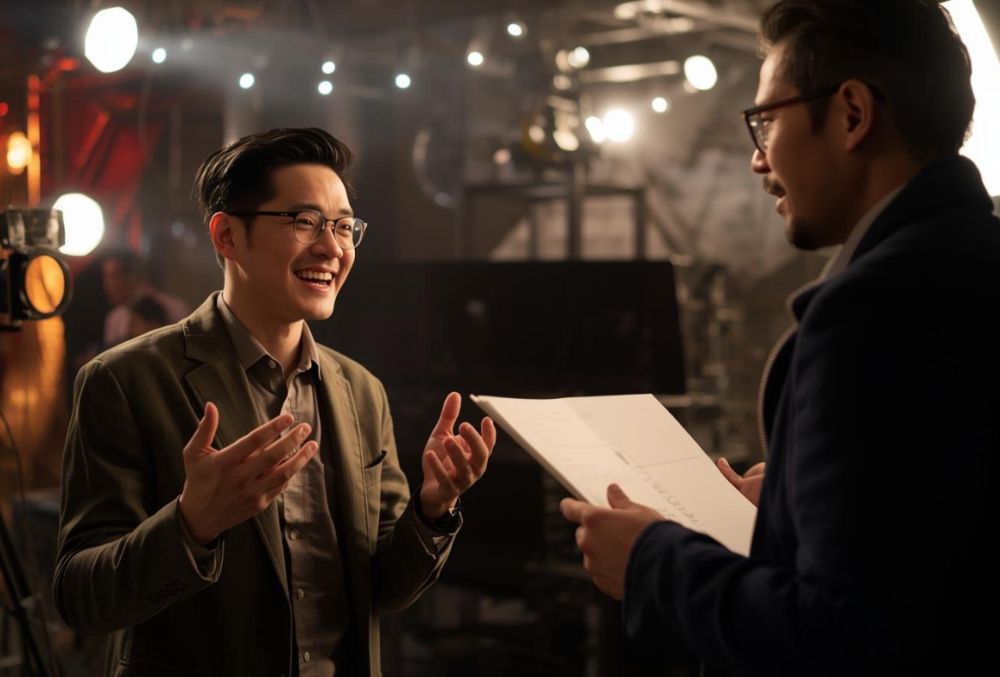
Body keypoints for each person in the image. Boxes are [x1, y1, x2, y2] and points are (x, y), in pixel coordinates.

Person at [561, 1, 999, 674]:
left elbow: (843, 636)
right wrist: (798, 503)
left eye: (766, 122)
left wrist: (652, 560)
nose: (758, 162)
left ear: (852, 113)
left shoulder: (869, 312)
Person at [54, 127, 496, 676]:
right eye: (305, 221)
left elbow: (385, 587)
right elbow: (80, 597)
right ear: (227, 236)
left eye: (342, 226)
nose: (332, 247)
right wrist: (192, 524)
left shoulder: (361, 392)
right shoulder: (124, 380)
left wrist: (434, 509)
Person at [101, 248, 189, 347]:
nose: (106, 284)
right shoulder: (114, 319)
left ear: (132, 275)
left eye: (114, 276)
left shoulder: (176, 308)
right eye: (106, 277)